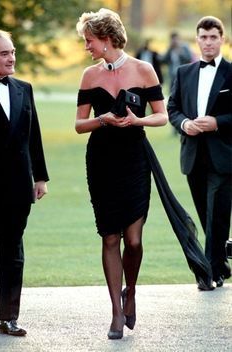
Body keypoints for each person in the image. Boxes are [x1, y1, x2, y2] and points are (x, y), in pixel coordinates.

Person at [75, 8, 213, 340]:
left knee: (133, 241)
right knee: (110, 237)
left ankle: (131, 291)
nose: (87, 47)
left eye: (89, 41)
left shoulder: (144, 69)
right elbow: (79, 124)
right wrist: (104, 119)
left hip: (135, 160)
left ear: (106, 39)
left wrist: (137, 121)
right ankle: (116, 313)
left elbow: (162, 116)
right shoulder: (89, 76)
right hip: (102, 162)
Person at [167, 16, 232, 288]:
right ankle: (220, 265)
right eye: (203, 37)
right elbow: (172, 108)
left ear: (222, 39)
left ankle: (207, 273)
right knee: (208, 215)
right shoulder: (184, 73)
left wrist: (218, 122)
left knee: (216, 212)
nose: (208, 42)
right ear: (197, 39)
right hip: (192, 155)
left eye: (213, 37)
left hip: (224, 155)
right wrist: (184, 123)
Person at [0, 30, 49, 336]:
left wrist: (40, 177)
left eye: (13, 51)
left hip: (18, 186)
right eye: (4, 53)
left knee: (13, 251)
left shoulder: (23, 89)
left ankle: (9, 318)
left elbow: (34, 137)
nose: (12, 58)